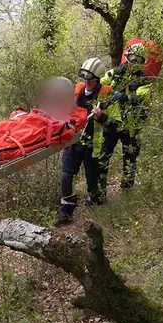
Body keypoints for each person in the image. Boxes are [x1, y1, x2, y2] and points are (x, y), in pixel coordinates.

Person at [54, 58, 117, 226]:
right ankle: (66, 211)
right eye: (85, 79)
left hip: (93, 146)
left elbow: (116, 124)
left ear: (98, 79)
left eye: (91, 80)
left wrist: (102, 117)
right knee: (67, 176)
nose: (87, 82)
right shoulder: (76, 91)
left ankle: (97, 199)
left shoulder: (107, 94)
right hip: (73, 142)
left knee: (92, 181)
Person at [99, 43, 153, 189]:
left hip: (131, 124)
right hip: (112, 120)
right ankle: (100, 187)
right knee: (104, 153)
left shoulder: (144, 80)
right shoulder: (117, 71)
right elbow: (102, 81)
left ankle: (127, 187)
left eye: (138, 59)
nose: (133, 62)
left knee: (130, 156)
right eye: (131, 58)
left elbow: (141, 98)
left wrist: (123, 96)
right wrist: (105, 90)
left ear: (142, 62)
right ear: (127, 57)